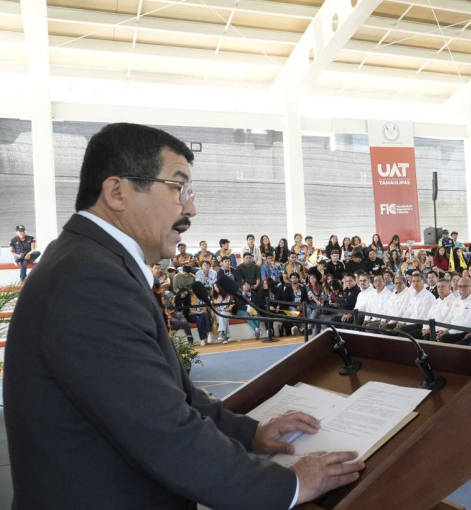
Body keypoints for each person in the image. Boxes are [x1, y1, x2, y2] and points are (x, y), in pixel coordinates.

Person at [3, 123, 362, 509]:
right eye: (179, 188)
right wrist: (289, 485)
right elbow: (163, 432)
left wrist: (254, 434)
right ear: (117, 192)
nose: (191, 208)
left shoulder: (92, 263)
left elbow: (176, 395)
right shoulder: (89, 279)